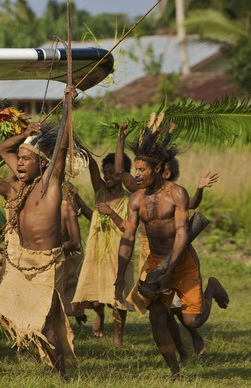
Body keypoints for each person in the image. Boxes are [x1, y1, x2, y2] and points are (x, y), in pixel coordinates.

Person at [114, 125, 229, 379]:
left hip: (182, 260)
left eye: (142, 170)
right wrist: (120, 275)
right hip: (156, 262)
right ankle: (175, 372)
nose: (138, 174)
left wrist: (168, 270)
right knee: (157, 318)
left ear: (157, 169)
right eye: (137, 170)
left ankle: (212, 287)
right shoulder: (136, 200)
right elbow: (128, 237)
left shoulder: (177, 194)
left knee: (191, 322)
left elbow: (182, 235)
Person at [0, 87, 77, 376]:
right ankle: (53, 365)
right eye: (20, 159)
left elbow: (62, 148)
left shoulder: (50, 184)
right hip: (23, 261)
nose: (19, 163)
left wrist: (67, 105)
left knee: (49, 324)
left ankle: (61, 375)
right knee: (5, 310)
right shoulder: (24, 184)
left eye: (26, 159)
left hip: (48, 264)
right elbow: (4, 149)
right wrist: (25, 131)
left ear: (42, 163)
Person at [71, 151, 134, 346]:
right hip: (96, 250)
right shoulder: (100, 192)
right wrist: (78, 199)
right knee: (94, 292)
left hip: (118, 253)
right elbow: (94, 217)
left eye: (112, 173)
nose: (107, 176)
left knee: (117, 297)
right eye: (105, 172)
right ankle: (100, 316)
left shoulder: (131, 199)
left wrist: (112, 213)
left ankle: (117, 337)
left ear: (122, 175)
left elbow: (129, 228)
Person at [60, 181, 86, 324]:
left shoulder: (66, 208)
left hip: (62, 258)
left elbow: (75, 243)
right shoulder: (35, 203)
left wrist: (56, 247)